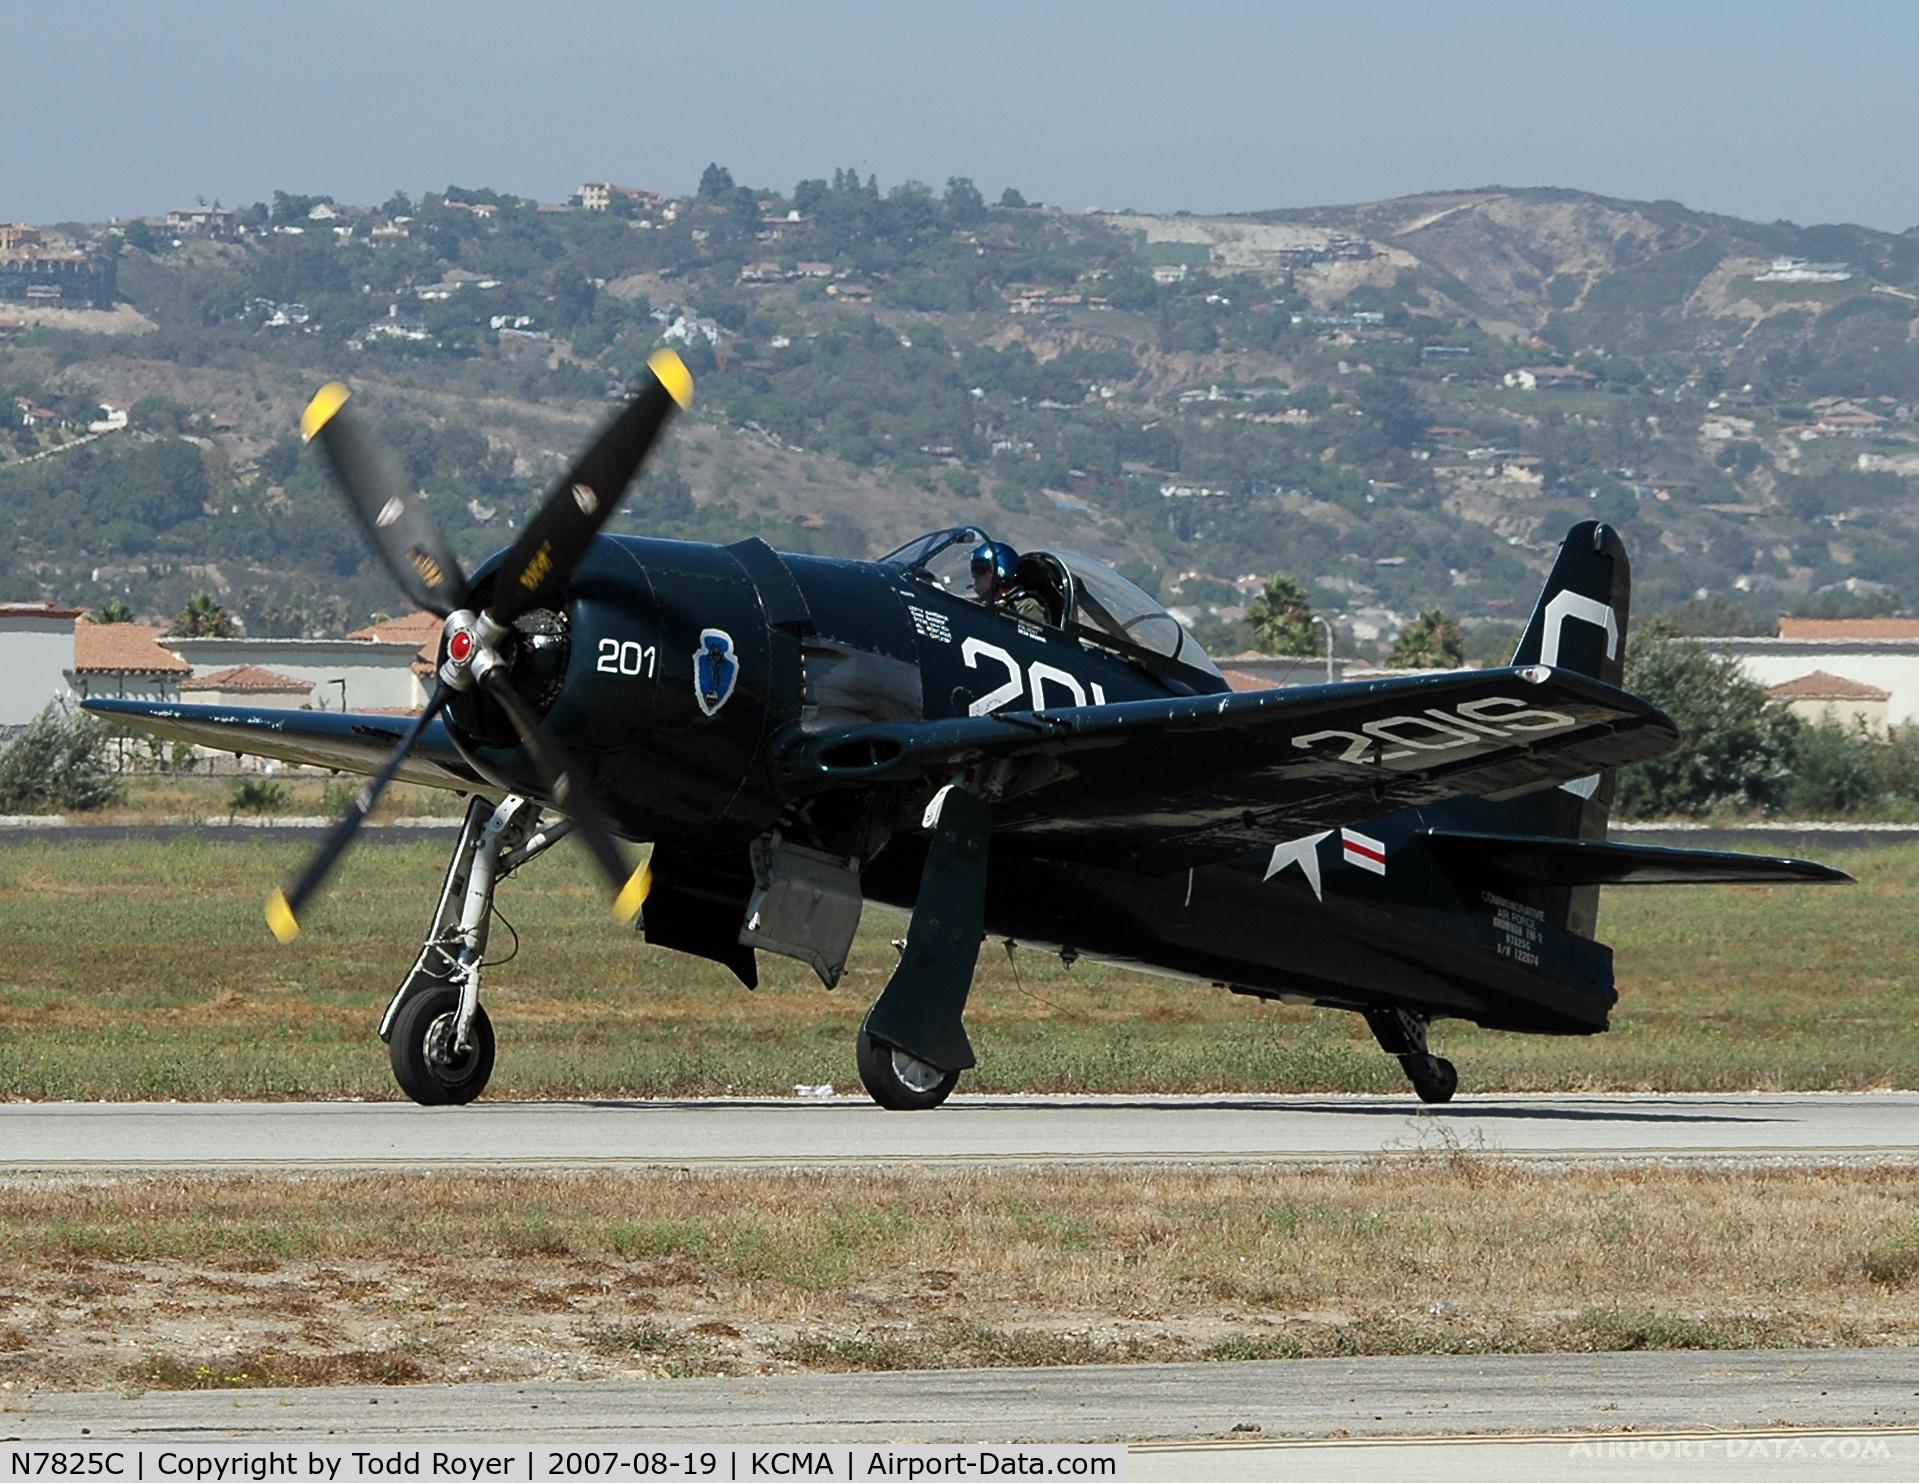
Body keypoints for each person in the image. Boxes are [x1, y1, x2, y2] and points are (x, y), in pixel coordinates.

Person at [970, 540, 1049, 622]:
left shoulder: (1026, 607)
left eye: (979, 570)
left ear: (1000, 571)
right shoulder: (979, 605)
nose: (974, 575)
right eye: (973, 570)